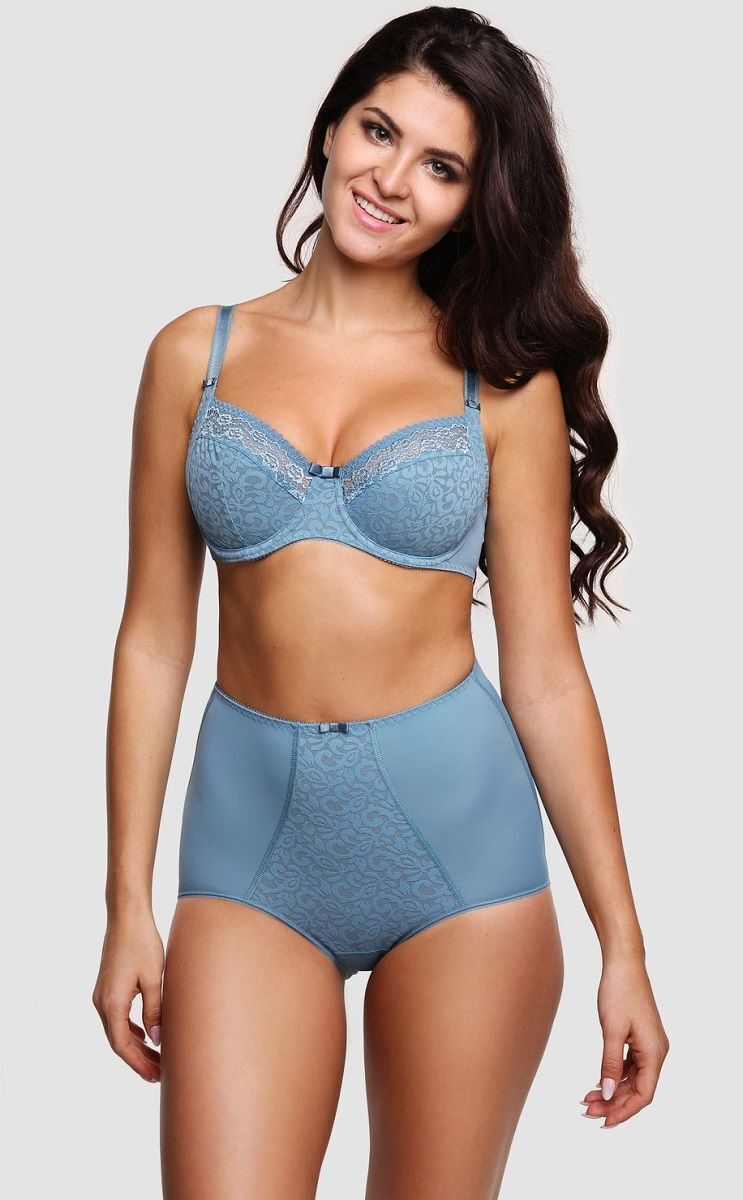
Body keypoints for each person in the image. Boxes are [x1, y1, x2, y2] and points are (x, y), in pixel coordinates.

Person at [92, 7, 669, 1197]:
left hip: (461, 870)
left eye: (441, 167)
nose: (392, 180)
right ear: (331, 126)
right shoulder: (192, 357)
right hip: (246, 866)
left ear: (471, 203)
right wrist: (125, 903)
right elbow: (153, 640)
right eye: (377, 131)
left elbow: (543, 675)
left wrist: (624, 946)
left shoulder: (499, 387)